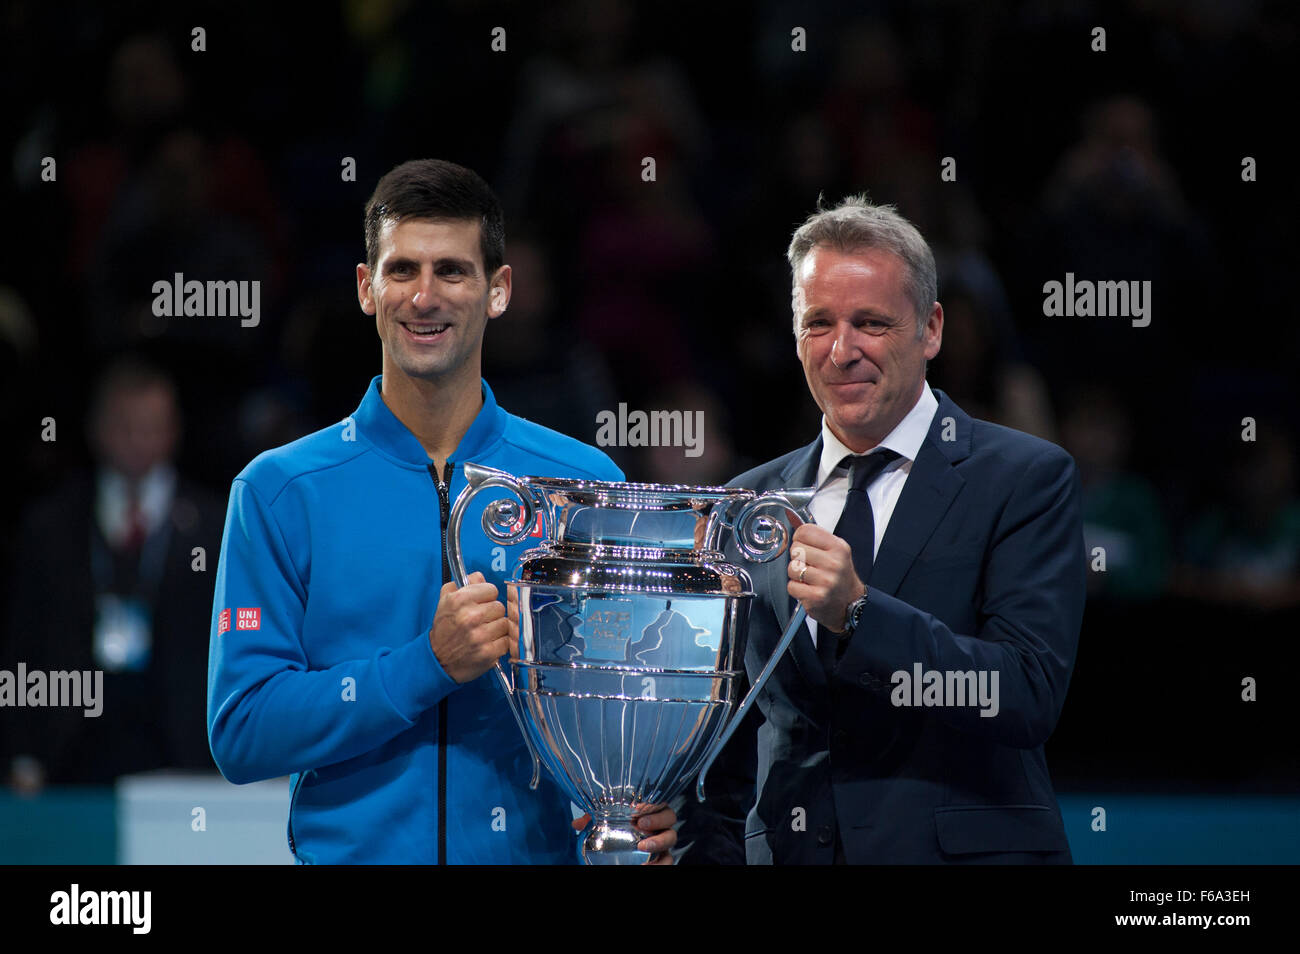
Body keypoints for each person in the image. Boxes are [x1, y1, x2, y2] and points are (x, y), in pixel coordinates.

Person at [207, 159, 676, 863]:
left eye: (452, 271)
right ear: (367, 289)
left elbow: (631, 703)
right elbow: (243, 731)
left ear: (499, 291)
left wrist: (646, 806)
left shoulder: (587, 483)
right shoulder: (278, 491)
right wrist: (425, 665)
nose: (424, 298)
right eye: (402, 271)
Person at [679, 196, 1085, 864]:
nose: (843, 351)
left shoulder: (1024, 478)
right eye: (819, 323)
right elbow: (722, 738)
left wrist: (860, 614)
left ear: (930, 329)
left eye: (870, 322)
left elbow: (1025, 693)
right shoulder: (746, 502)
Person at [2, 358, 223, 790]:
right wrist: (22, 753)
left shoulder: (218, 527)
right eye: (125, 425)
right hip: (70, 751)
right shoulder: (50, 526)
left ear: (175, 429)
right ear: (97, 427)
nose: (139, 439)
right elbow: (24, 645)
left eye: (152, 425)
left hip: (186, 755)